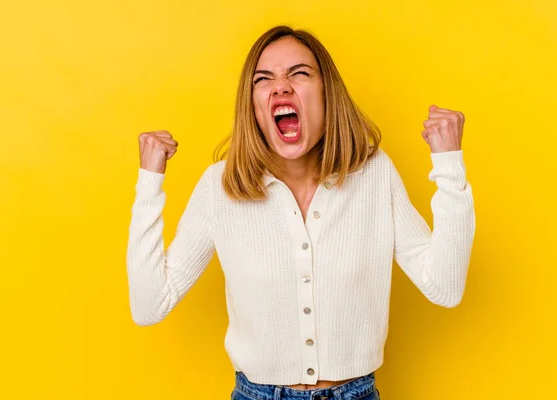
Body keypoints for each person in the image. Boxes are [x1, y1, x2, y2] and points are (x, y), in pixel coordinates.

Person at [126, 25, 475, 400]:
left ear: (327, 93)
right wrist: (149, 182)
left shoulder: (374, 174)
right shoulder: (219, 187)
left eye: (299, 73)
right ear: (254, 104)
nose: (281, 86)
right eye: (264, 79)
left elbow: (444, 286)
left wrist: (449, 164)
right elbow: (150, 306)